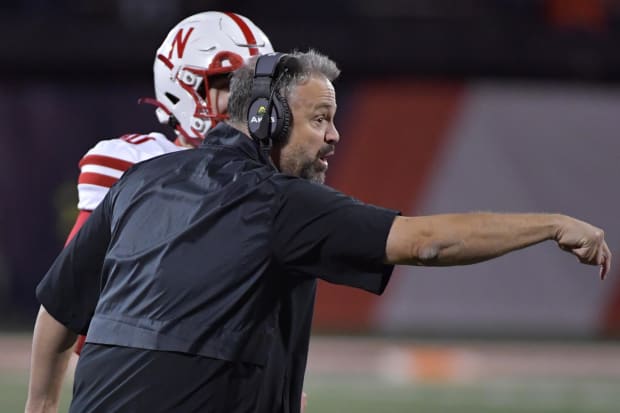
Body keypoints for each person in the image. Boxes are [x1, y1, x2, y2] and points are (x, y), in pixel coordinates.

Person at [28, 50, 611, 413]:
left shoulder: (140, 181)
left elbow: (58, 308)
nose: (334, 136)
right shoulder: (283, 204)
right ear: (266, 121)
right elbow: (426, 241)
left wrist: (40, 404)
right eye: (319, 119)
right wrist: (550, 224)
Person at [25, 10, 274, 413]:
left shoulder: (275, 176)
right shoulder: (133, 163)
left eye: (259, 86)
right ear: (183, 89)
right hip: (137, 380)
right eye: (230, 85)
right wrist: (41, 403)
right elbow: (67, 297)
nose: (251, 101)